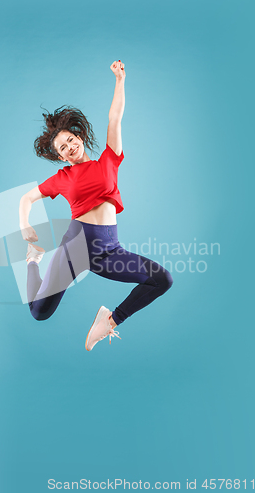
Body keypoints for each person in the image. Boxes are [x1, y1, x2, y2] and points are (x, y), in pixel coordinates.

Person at [19, 60, 173, 351]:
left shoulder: (108, 160)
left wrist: (119, 80)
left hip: (109, 250)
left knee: (161, 280)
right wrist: (24, 224)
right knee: (39, 312)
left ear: (78, 137)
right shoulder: (63, 177)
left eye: (70, 140)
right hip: (74, 248)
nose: (69, 148)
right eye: (62, 149)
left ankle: (110, 321)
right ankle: (32, 261)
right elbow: (27, 198)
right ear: (62, 158)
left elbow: (114, 119)